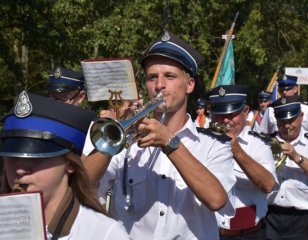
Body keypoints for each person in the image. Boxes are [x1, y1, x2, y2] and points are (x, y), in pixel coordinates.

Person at [83, 30, 236, 239]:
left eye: (170, 76)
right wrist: (113, 135)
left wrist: (170, 143)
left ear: (189, 84)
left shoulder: (213, 144)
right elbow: (83, 185)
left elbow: (217, 200)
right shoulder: (127, 141)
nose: (159, 85)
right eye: (152, 77)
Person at [0, 91, 130, 240]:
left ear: (70, 164)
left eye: (36, 158)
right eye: (12, 157)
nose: (20, 170)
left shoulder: (105, 234)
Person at [206, 85, 277, 239]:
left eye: (232, 114)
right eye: (219, 114)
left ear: (245, 111)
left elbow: (268, 185)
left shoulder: (258, 144)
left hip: (250, 233)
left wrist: (236, 149)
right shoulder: (203, 142)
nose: (225, 120)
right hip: (210, 232)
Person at [265, 95, 308, 240]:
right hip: (269, 215)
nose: (286, 126)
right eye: (281, 121)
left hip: (301, 219)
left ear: (301, 116)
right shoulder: (265, 142)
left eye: (290, 120)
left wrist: (296, 157)